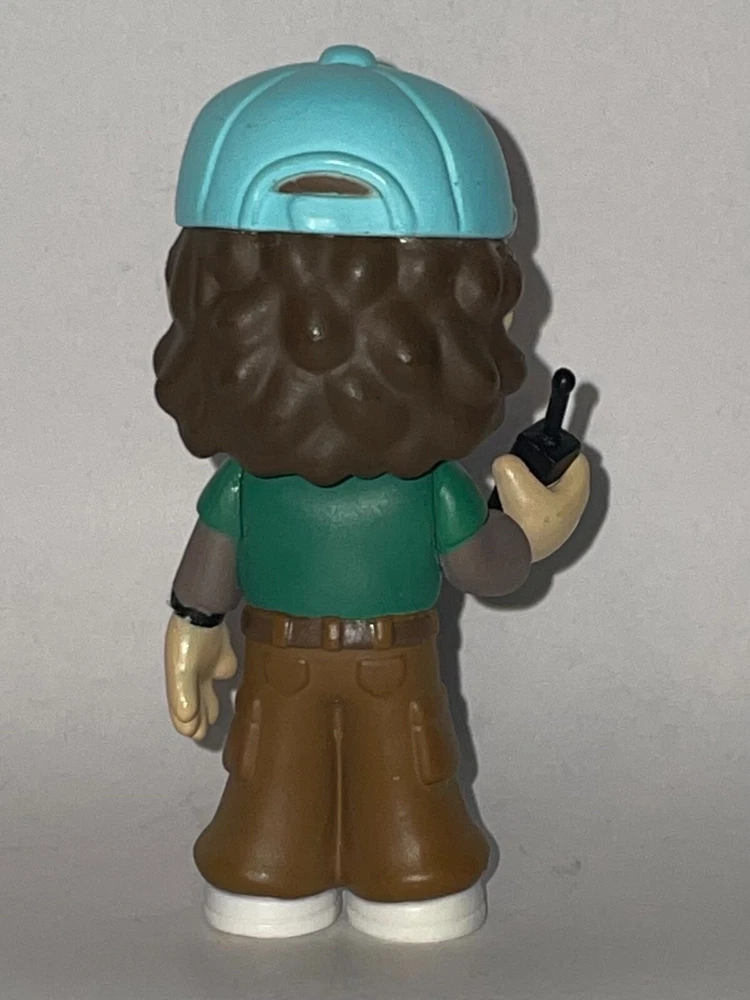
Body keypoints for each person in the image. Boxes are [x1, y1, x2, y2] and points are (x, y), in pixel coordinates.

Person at [155, 45, 590, 942]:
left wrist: (193, 626)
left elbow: (210, 564)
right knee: (386, 785)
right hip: (383, 664)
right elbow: (490, 568)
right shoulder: (428, 488)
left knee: (300, 780)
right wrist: (535, 525)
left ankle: (294, 876)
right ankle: (385, 879)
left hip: (292, 657)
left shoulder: (265, 483)